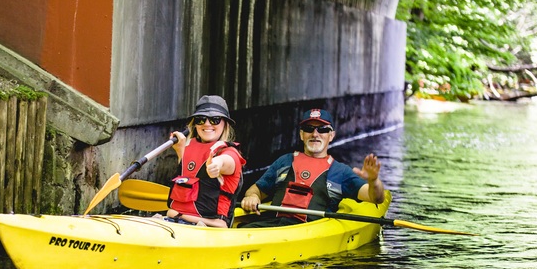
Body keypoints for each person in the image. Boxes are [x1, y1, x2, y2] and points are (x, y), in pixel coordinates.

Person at [239, 108, 385, 227]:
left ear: (331, 135)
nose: (315, 134)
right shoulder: (284, 162)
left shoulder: (341, 172)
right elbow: (256, 189)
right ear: (302, 134)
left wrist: (374, 181)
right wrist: (252, 196)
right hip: (271, 226)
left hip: (308, 231)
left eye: (322, 129)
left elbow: (375, 198)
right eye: (309, 129)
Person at [165, 95, 246, 228]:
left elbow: (226, 162)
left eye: (215, 120)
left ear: (225, 123)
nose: (207, 124)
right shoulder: (187, 148)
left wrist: (216, 165)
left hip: (210, 228)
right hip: (175, 221)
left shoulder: (229, 154)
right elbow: (187, 175)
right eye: (201, 119)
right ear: (195, 124)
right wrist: (180, 150)